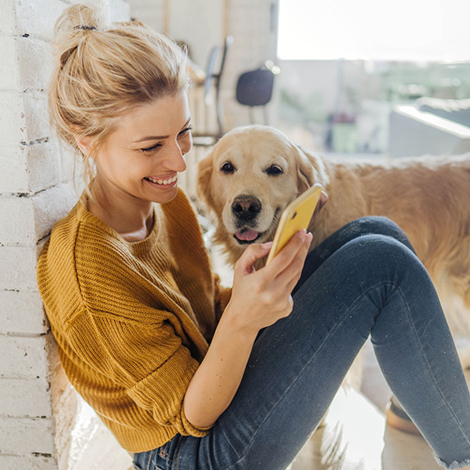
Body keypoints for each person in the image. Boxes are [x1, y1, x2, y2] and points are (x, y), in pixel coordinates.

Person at [37, 4, 470, 470]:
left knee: (374, 234)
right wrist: (244, 316)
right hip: (193, 452)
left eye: (181, 135)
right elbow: (191, 415)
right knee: (380, 265)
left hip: (218, 396)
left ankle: (432, 422)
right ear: (86, 138)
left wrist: (254, 292)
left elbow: (199, 310)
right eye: (150, 147)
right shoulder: (89, 270)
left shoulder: (163, 204)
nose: (179, 163)